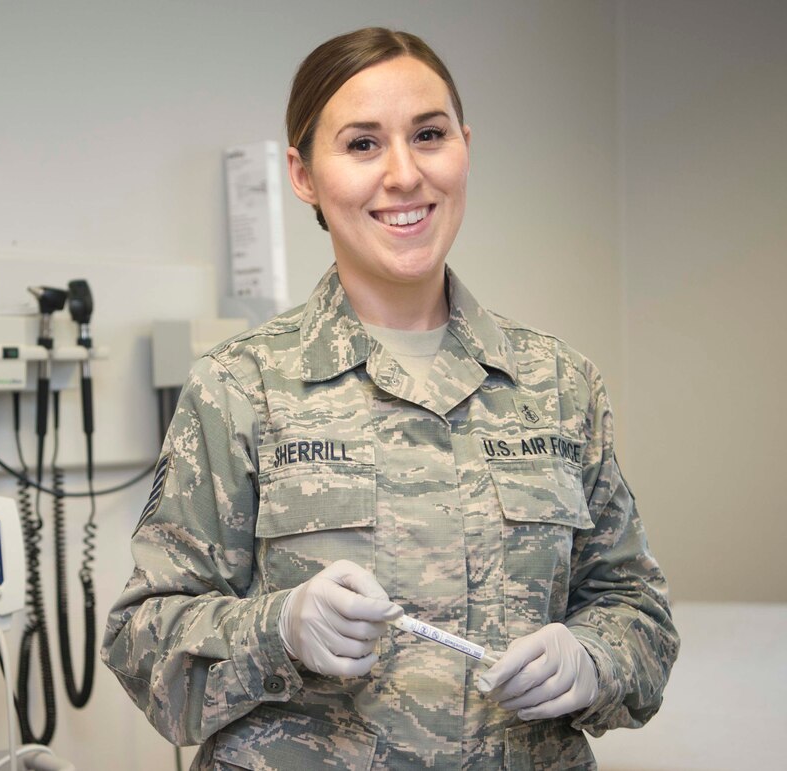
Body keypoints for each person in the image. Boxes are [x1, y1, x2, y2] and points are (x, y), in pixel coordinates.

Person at [102, 27, 678, 770]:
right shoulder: (242, 387)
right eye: (363, 144)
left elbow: (642, 617)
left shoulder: (560, 385)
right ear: (304, 174)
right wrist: (278, 629)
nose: (404, 174)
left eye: (429, 135)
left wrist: (593, 658)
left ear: (464, 146)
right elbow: (143, 644)